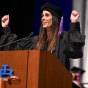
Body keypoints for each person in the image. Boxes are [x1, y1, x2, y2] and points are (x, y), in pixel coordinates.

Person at [0, 2, 85, 70]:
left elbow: (75, 52)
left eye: (47, 15)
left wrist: (74, 23)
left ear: (54, 19)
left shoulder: (64, 38)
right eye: (42, 16)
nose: (43, 18)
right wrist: (6, 28)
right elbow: (15, 49)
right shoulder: (36, 41)